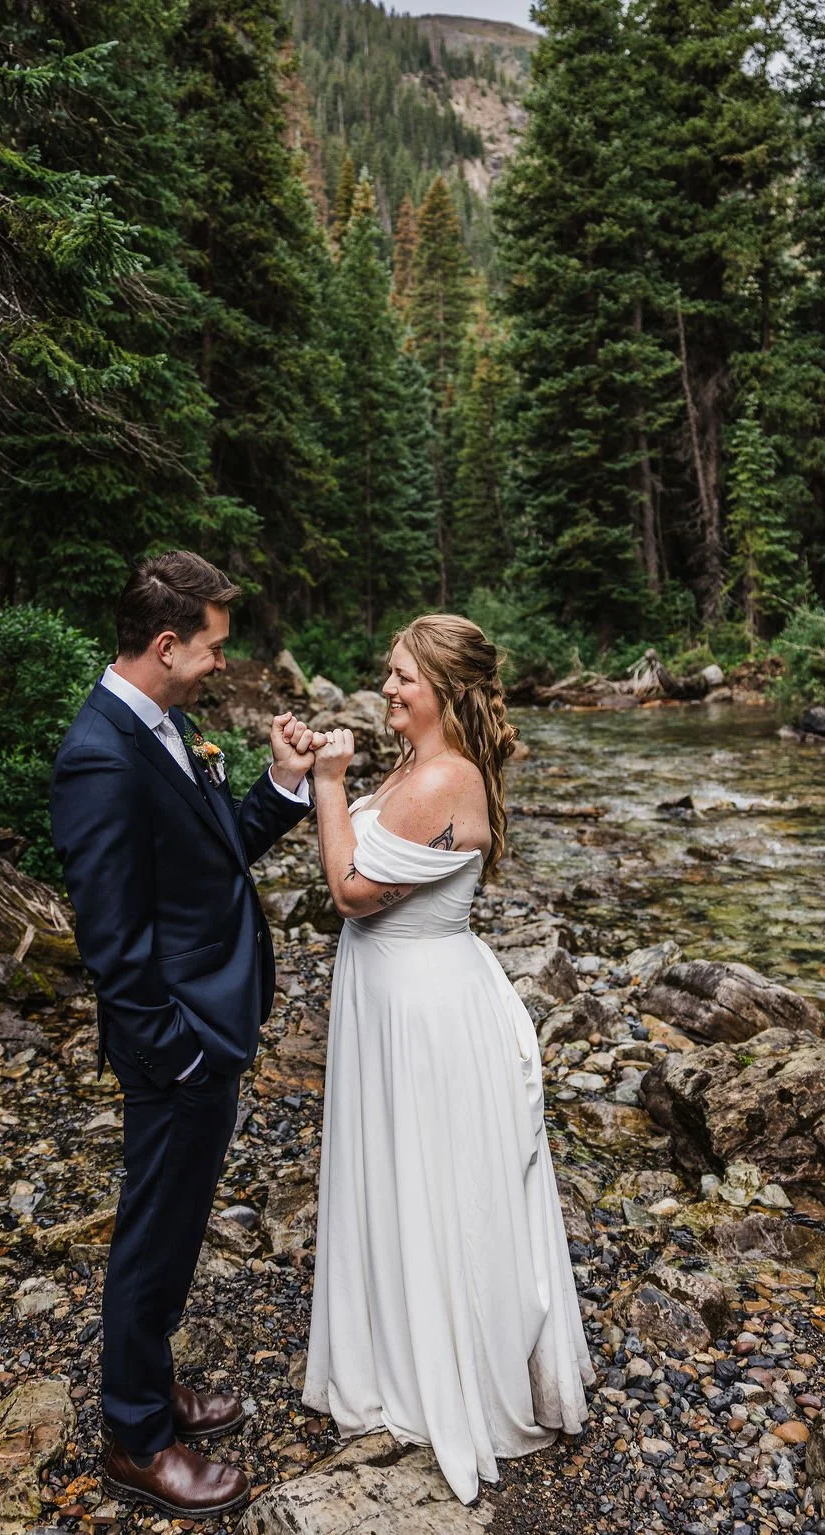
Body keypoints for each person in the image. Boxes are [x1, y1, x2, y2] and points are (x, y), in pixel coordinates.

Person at [50, 551, 322, 1518]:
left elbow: (213, 859)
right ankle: (135, 1435)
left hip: (207, 1028)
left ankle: (152, 1383)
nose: (222, 663)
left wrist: (283, 786)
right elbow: (113, 944)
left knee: (174, 1229)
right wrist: (181, 1048)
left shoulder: (166, 726)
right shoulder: (100, 755)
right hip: (178, 1044)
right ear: (166, 645)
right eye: (212, 647)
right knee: (152, 1233)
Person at [302, 612, 594, 1504]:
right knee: (400, 1174)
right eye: (388, 673)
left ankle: (447, 1365)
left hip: (425, 1011)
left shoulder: (445, 777)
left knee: (432, 1181)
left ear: (445, 689)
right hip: (399, 998)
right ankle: (400, 1339)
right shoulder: (415, 767)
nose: (387, 688)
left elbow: (350, 892)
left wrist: (323, 783)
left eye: (402, 677)